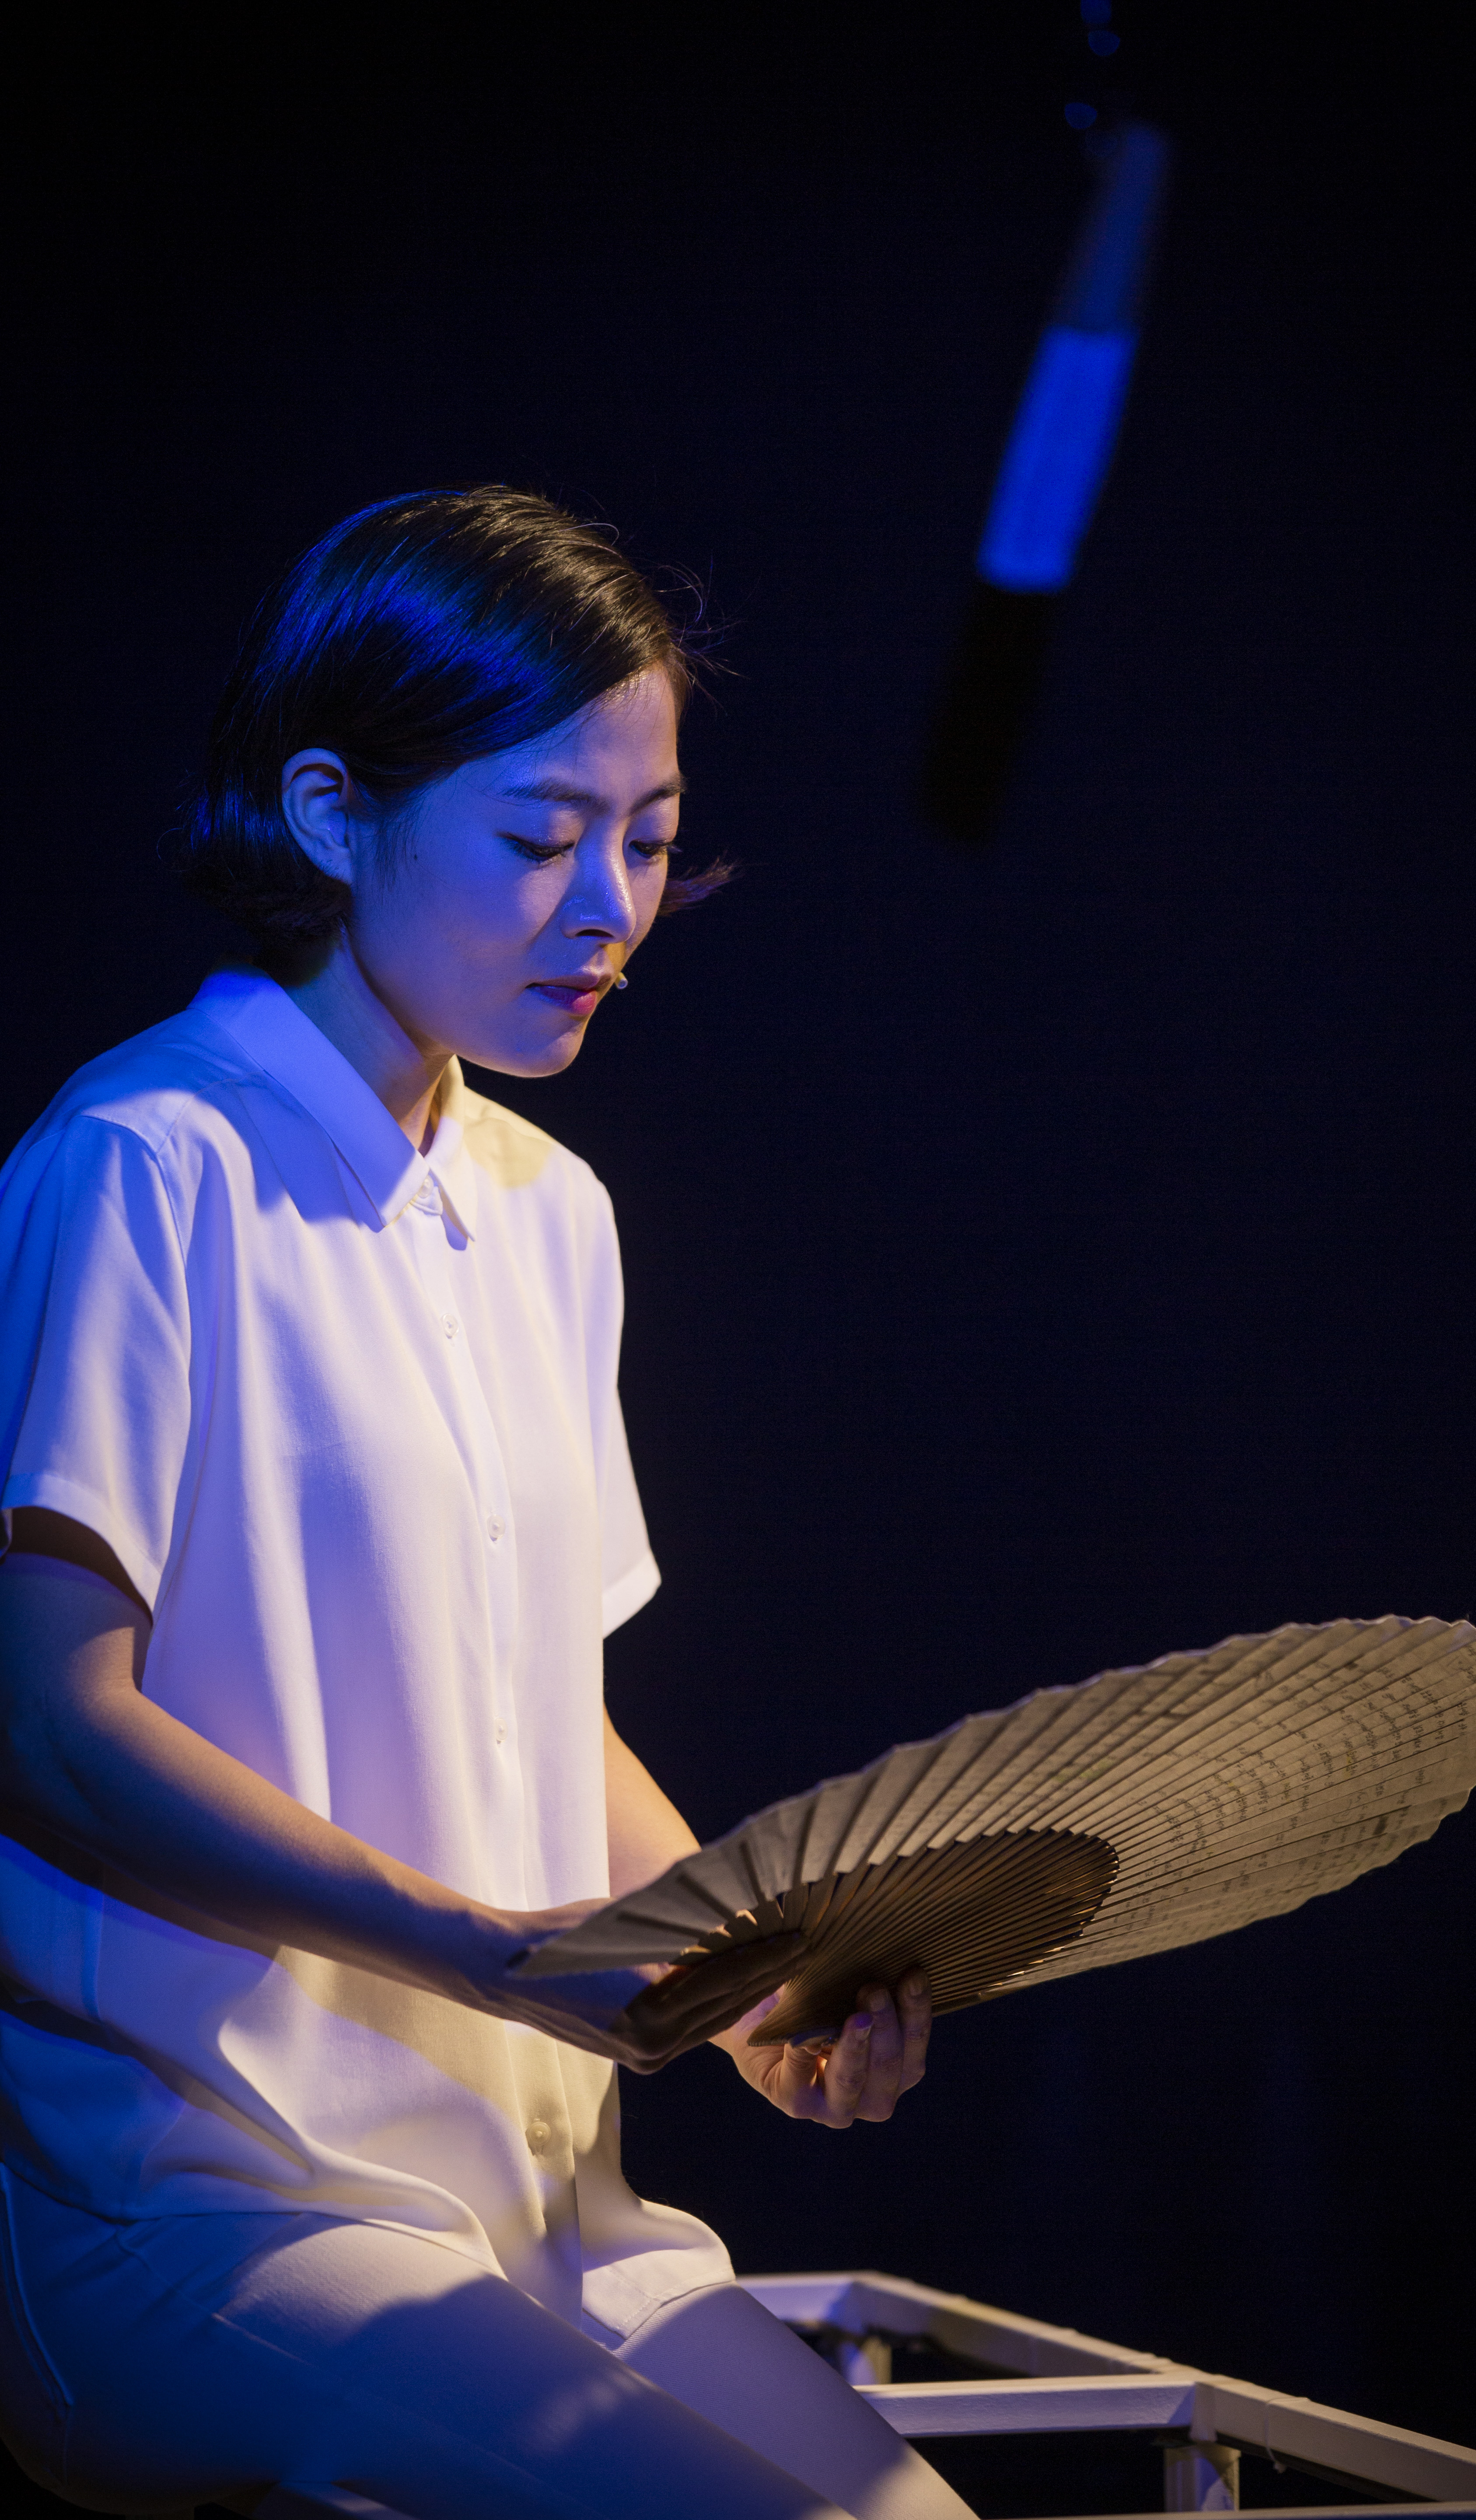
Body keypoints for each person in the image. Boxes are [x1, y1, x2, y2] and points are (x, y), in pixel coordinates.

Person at [0, 490, 973, 2520]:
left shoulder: (552, 1211)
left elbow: (551, 1715)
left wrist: (749, 1981)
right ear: (332, 812)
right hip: (208, 2208)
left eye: (649, 838)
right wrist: (483, 1954)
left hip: (550, 2214)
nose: (612, 906)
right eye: (543, 838)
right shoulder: (145, 1163)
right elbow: (44, 1722)